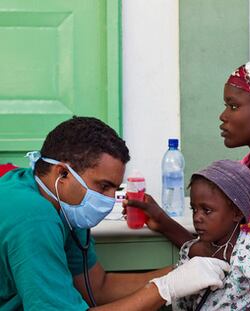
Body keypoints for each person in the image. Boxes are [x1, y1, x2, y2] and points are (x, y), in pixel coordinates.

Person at [126, 58, 250, 310]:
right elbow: (221, 252)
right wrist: (163, 221)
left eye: (233, 106)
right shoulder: (237, 176)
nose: (223, 116)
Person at [0, 116, 230, 311]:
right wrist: (165, 289)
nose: (110, 199)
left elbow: (98, 288)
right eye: (103, 186)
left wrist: (181, 273)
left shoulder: (63, 204)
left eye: (114, 188)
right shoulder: (33, 217)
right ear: (63, 173)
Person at [172, 160, 250, 311]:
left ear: (237, 213)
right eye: (194, 209)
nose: (197, 217)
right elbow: (182, 303)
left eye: (207, 210)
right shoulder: (191, 251)